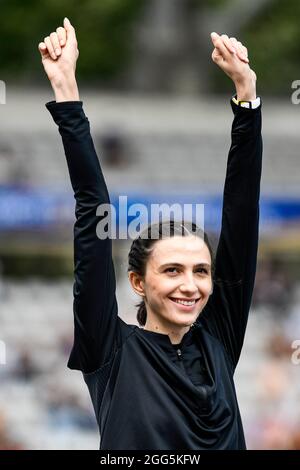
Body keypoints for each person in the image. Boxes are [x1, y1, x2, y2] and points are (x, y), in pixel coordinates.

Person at [38, 18, 262, 450]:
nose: (190, 285)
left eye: (201, 271)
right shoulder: (110, 350)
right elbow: (92, 209)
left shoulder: (219, 340)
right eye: (173, 270)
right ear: (139, 282)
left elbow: (241, 214)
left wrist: (247, 97)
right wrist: (66, 90)